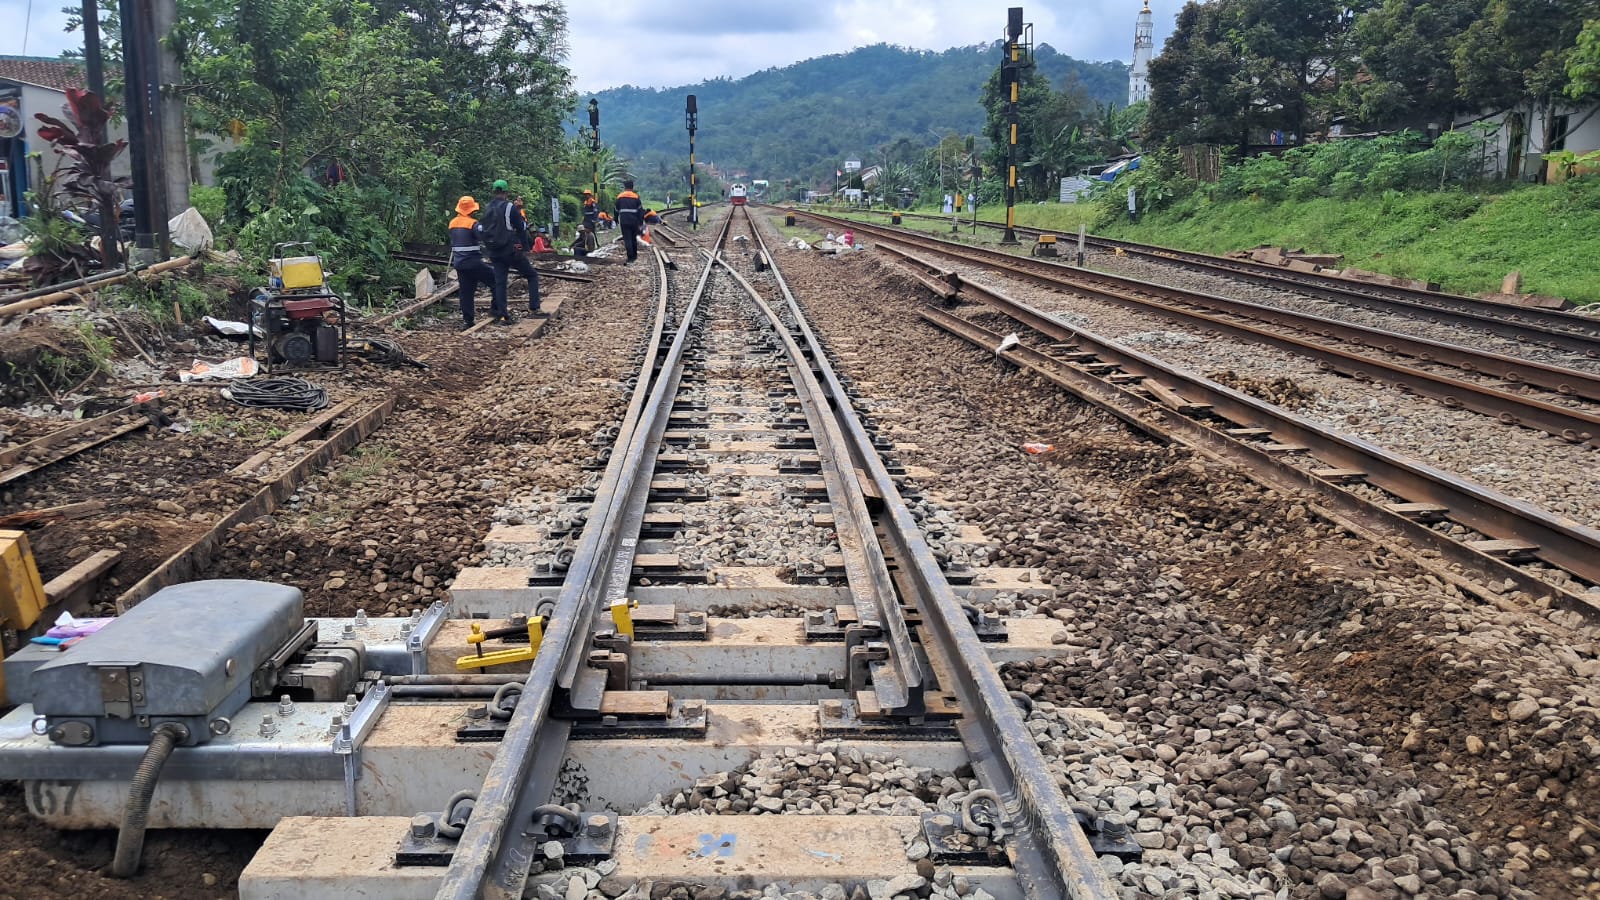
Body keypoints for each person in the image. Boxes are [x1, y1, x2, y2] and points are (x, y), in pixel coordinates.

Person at [483, 179, 543, 321]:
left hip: (494, 251)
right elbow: (521, 227)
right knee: (532, 275)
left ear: (494, 192)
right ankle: (534, 307)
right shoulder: (510, 207)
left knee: (500, 282)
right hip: (510, 251)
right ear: (506, 192)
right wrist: (525, 248)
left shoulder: (487, 207)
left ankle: (502, 314)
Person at [447, 196, 493, 330]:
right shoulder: (473, 224)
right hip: (472, 261)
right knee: (496, 281)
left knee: (466, 292)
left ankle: (468, 320)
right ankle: (497, 311)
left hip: (459, 263)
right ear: (471, 210)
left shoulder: (452, 223)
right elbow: (484, 237)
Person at [614, 179, 644, 263]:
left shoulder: (620, 197)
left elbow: (616, 210)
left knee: (627, 239)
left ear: (625, 187)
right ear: (632, 187)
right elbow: (640, 211)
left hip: (624, 221)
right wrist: (640, 222)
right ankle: (634, 256)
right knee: (633, 238)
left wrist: (616, 220)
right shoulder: (636, 197)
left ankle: (630, 257)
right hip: (634, 221)